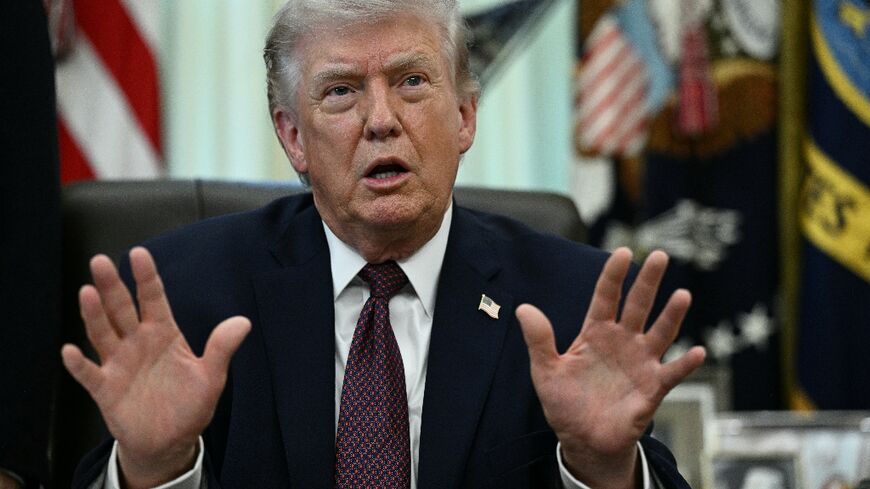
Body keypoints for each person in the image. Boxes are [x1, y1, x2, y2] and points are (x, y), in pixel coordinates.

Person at [62, 0, 706, 488]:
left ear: (464, 117)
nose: (381, 120)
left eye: (412, 82)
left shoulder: (571, 300)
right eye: (341, 91)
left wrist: (600, 466)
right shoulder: (187, 294)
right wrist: (153, 468)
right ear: (292, 138)